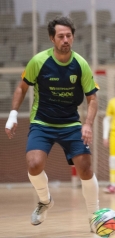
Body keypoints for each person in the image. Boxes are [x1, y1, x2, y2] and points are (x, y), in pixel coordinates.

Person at [4, 16, 100, 230]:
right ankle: (45, 200)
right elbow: (22, 88)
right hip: (42, 122)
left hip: (71, 124)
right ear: (52, 38)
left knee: (85, 167)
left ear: (73, 38)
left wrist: (88, 124)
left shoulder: (80, 64)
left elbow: (92, 98)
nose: (65, 39)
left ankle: (94, 215)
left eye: (68, 36)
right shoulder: (39, 61)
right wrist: (12, 114)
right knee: (34, 164)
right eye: (60, 36)